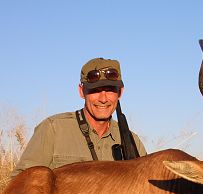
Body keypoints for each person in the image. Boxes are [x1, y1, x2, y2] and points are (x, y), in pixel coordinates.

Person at [11, 58, 147, 177]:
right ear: (81, 91)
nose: (103, 99)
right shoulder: (53, 129)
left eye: (110, 90)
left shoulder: (133, 142)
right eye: (95, 90)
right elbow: (20, 183)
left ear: (120, 92)